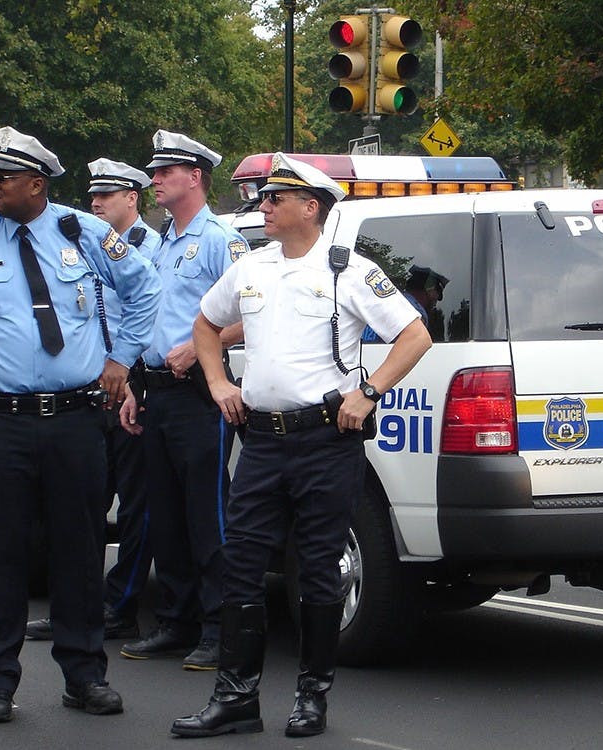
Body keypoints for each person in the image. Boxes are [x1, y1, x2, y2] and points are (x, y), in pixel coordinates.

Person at [0, 127, 161, 723]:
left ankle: (84, 675)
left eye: (4, 177)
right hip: (0, 420)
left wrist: (121, 357)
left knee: (78, 549)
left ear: (37, 184)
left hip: (75, 420)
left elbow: (144, 287)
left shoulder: (85, 231)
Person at [173, 153, 432, 738]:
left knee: (317, 571)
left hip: (324, 441)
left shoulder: (348, 270)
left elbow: (414, 334)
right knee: (240, 565)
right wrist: (218, 383)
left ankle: (311, 698)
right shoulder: (252, 268)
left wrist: (369, 391)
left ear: (310, 208)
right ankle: (236, 698)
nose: (262, 207)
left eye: (274, 200)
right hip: (262, 440)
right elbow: (206, 326)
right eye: (263, 198)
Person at [118, 130, 250, 671]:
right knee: (165, 514)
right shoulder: (160, 242)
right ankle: (177, 620)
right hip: (155, 390)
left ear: (194, 177)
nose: (154, 180)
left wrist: (204, 347)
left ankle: (221, 628)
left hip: (199, 395)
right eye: (154, 172)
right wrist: (130, 381)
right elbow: (145, 316)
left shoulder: (220, 238)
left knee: (207, 516)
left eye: (164, 172)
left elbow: (255, 311)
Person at [25, 158, 161, 643]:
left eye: (108, 195)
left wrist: (128, 372)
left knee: (134, 505)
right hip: (88, 391)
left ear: (133, 198)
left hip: (132, 383)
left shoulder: (153, 248)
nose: (96, 203)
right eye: (93, 196)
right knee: (77, 508)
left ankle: (121, 604)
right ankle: (73, 608)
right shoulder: (80, 241)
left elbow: (156, 314)